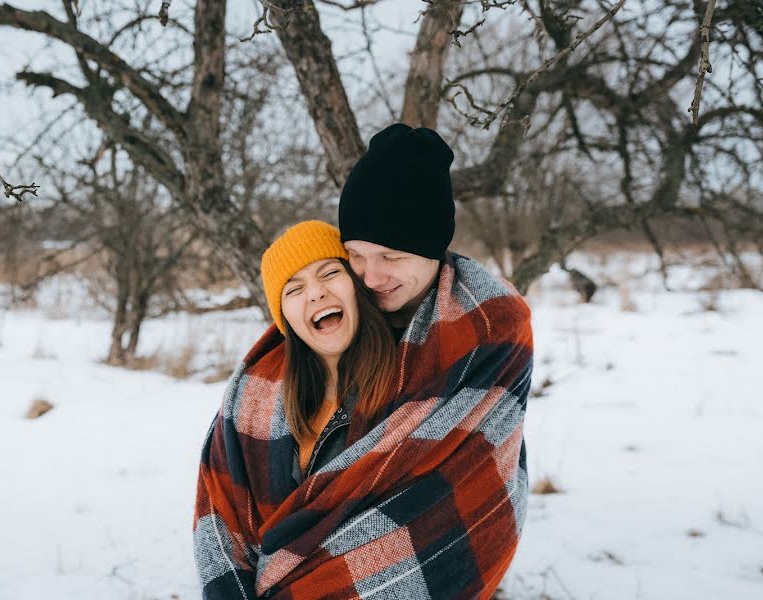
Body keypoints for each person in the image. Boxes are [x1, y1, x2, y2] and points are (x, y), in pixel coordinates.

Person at [195, 125, 533, 600]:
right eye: (354, 255)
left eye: (390, 256)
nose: (371, 277)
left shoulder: (485, 326)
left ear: (432, 246)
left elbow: (450, 482)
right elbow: (225, 507)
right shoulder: (274, 375)